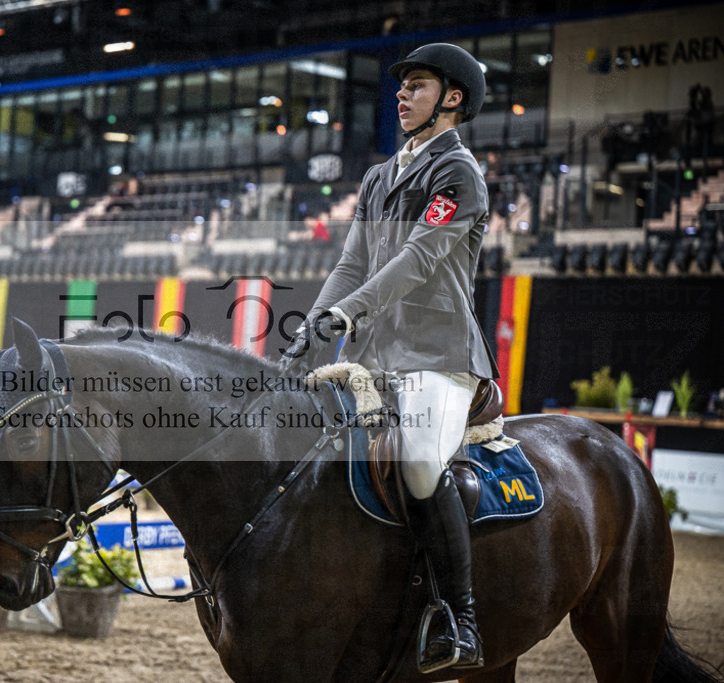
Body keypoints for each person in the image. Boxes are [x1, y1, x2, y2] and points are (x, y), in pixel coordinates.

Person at [280, 43, 498, 672]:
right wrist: (318, 328)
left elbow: (420, 258)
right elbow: (353, 263)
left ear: (452, 98)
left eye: (418, 86)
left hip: (437, 354)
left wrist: (350, 313)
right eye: (401, 87)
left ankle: (462, 618)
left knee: (422, 464)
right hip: (372, 355)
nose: (401, 95)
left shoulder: (458, 175)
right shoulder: (379, 176)